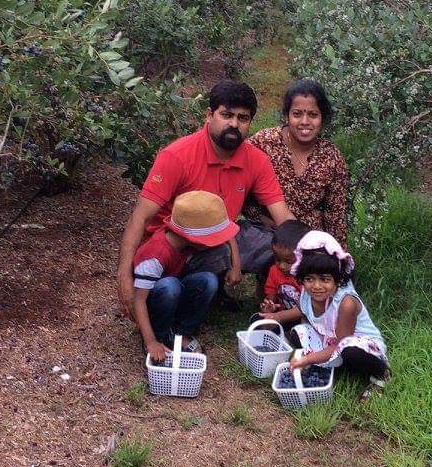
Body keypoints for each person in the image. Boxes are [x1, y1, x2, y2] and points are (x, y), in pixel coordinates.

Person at [118, 80, 295, 319]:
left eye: (243, 118)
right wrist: (124, 277)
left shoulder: (256, 161)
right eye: (227, 115)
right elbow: (140, 217)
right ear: (210, 115)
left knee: (273, 243)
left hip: (217, 241)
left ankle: (277, 301)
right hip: (171, 247)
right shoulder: (177, 156)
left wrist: (317, 253)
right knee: (168, 293)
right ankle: (179, 291)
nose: (234, 124)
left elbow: (282, 216)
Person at [260, 230, 389, 388]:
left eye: (325, 279)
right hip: (330, 340)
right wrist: (276, 317)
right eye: (309, 279)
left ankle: (381, 374)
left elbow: (341, 344)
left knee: (350, 351)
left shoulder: (346, 303)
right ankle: (338, 367)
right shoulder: (307, 295)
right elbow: (303, 312)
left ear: (338, 280)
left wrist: (307, 359)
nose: (316, 286)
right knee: (297, 332)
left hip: (358, 345)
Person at [132, 191, 236, 362]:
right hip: (155, 301)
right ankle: (160, 336)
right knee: (169, 286)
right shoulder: (155, 255)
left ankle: (181, 332)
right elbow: (139, 300)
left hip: (174, 292)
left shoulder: (184, 243)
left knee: (209, 281)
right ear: (193, 237)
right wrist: (150, 341)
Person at [245, 79, 350, 246]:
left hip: (311, 240)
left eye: (313, 115)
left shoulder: (331, 157)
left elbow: (335, 215)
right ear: (287, 115)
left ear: (322, 117)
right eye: (297, 114)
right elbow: (237, 183)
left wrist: (337, 256)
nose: (305, 122)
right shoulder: (263, 142)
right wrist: (258, 216)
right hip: (267, 234)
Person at [256, 219, 310, 316]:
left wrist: (280, 317)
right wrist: (269, 306)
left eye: (289, 262)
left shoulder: (309, 277)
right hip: (281, 315)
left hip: (306, 318)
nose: (281, 266)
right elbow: (270, 294)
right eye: (277, 259)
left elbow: (309, 308)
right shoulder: (274, 271)